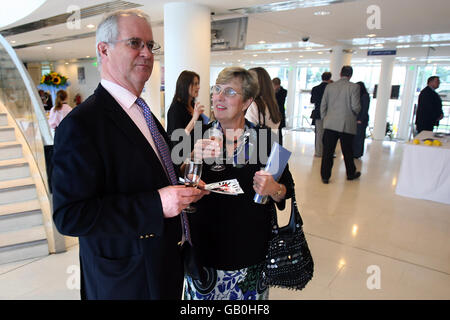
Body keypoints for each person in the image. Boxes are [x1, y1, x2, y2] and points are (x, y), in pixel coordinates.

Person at [51, 9, 207, 300]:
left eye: (150, 45)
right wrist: (156, 204)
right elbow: (69, 215)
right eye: (135, 43)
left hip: (163, 267)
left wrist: (181, 183)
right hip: (125, 280)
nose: (146, 53)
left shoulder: (143, 111)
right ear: (104, 50)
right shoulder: (82, 123)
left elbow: (149, 171)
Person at [184, 67, 295, 300]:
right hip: (205, 253)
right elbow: (180, 183)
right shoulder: (198, 135)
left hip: (251, 254)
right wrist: (191, 160)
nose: (218, 97)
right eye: (216, 89)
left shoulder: (265, 139)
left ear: (246, 102)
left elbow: (286, 191)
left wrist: (273, 188)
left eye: (230, 92)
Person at [320, 66, 361, 184]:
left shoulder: (330, 86)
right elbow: (356, 106)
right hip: (346, 124)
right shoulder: (354, 87)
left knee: (327, 151)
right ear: (351, 75)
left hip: (330, 124)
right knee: (347, 150)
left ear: (340, 73)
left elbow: (323, 105)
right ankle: (350, 173)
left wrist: (325, 119)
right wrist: (355, 113)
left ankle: (325, 176)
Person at [167, 70, 206, 137]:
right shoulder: (175, 110)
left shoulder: (193, 105)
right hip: (185, 147)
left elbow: (198, 131)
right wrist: (194, 118)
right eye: (195, 84)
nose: (198, 87)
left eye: (198, 84)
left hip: (198, 146)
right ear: (185, 85)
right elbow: (177, 139)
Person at [245, 67, 281, 136]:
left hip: (258, 144)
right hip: (269, 143)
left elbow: (249, 133)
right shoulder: (272, 104)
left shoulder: (253, 104)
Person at [310, 72, 332, 157]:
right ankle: (327, 152)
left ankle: (319, 152)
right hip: (329, 114)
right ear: (330, 78)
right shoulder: (331, 88)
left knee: (319, 134)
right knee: (329, 134)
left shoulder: (315, 88)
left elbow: (312, 100)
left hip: (318, 113)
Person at [353, 81, 370, 158]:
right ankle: (355, 152)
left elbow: (365, 109)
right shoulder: (358, 96)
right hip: (356, 119)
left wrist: (361, 119)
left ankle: (357, 153)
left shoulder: (365, 96)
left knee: (359, 137)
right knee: (356, 137)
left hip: (361, 120)